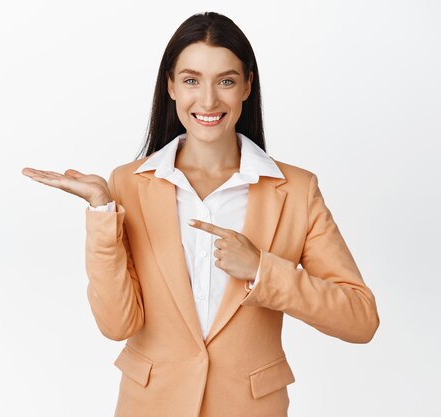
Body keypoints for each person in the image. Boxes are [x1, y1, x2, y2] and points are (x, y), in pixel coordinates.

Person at [22, 11, 379, 417]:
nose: (208, 100)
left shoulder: (296, 191)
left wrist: (263, 271)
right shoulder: (128, 184)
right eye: (191, 80)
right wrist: (102, 209)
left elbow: (360, 318)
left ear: (247, 86)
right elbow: (116, 325)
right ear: (171, 86)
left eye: (225, 81)